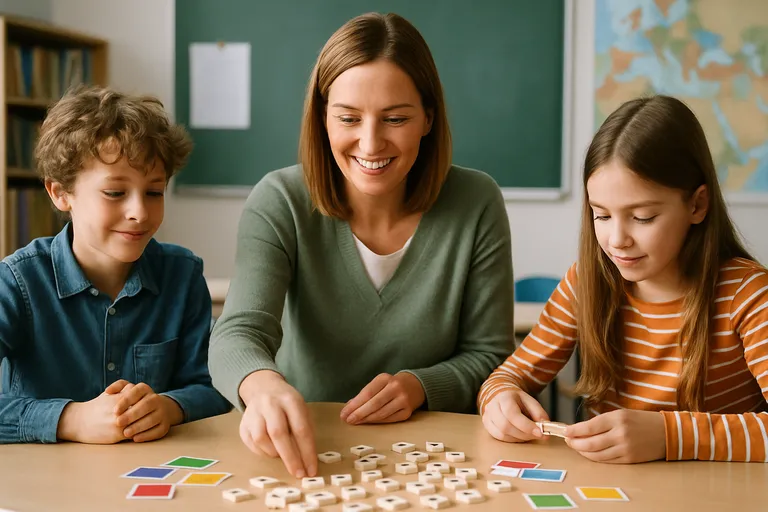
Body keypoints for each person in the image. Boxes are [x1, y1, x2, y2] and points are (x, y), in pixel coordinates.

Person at [209, 12, 515, 478]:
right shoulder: (280, 200)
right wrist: (261, 385)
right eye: (348, 118)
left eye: (395, 118)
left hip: (436, 459)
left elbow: (489, 354)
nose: (370, 143)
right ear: (322, 117)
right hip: (304, 453)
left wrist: (420, 385)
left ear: (428, 118)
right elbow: (237, 334)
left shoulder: (477, 202)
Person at [479, 95, 768, 463]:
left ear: (697, 205)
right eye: (601, 216)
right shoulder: (587, 281)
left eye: (643, 217)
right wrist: (499, 400)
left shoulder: (748, 293)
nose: (617, 241)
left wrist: (668, 436)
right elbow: (507, 376)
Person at [0, 85, 231, 445]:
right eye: (115, 193)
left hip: (146, 480)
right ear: (61, 193)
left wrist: (169, 407)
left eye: (154, 192)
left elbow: (213, 386)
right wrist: (69, 419)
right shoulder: (18, 282)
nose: (139, 212)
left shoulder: (181, 275)